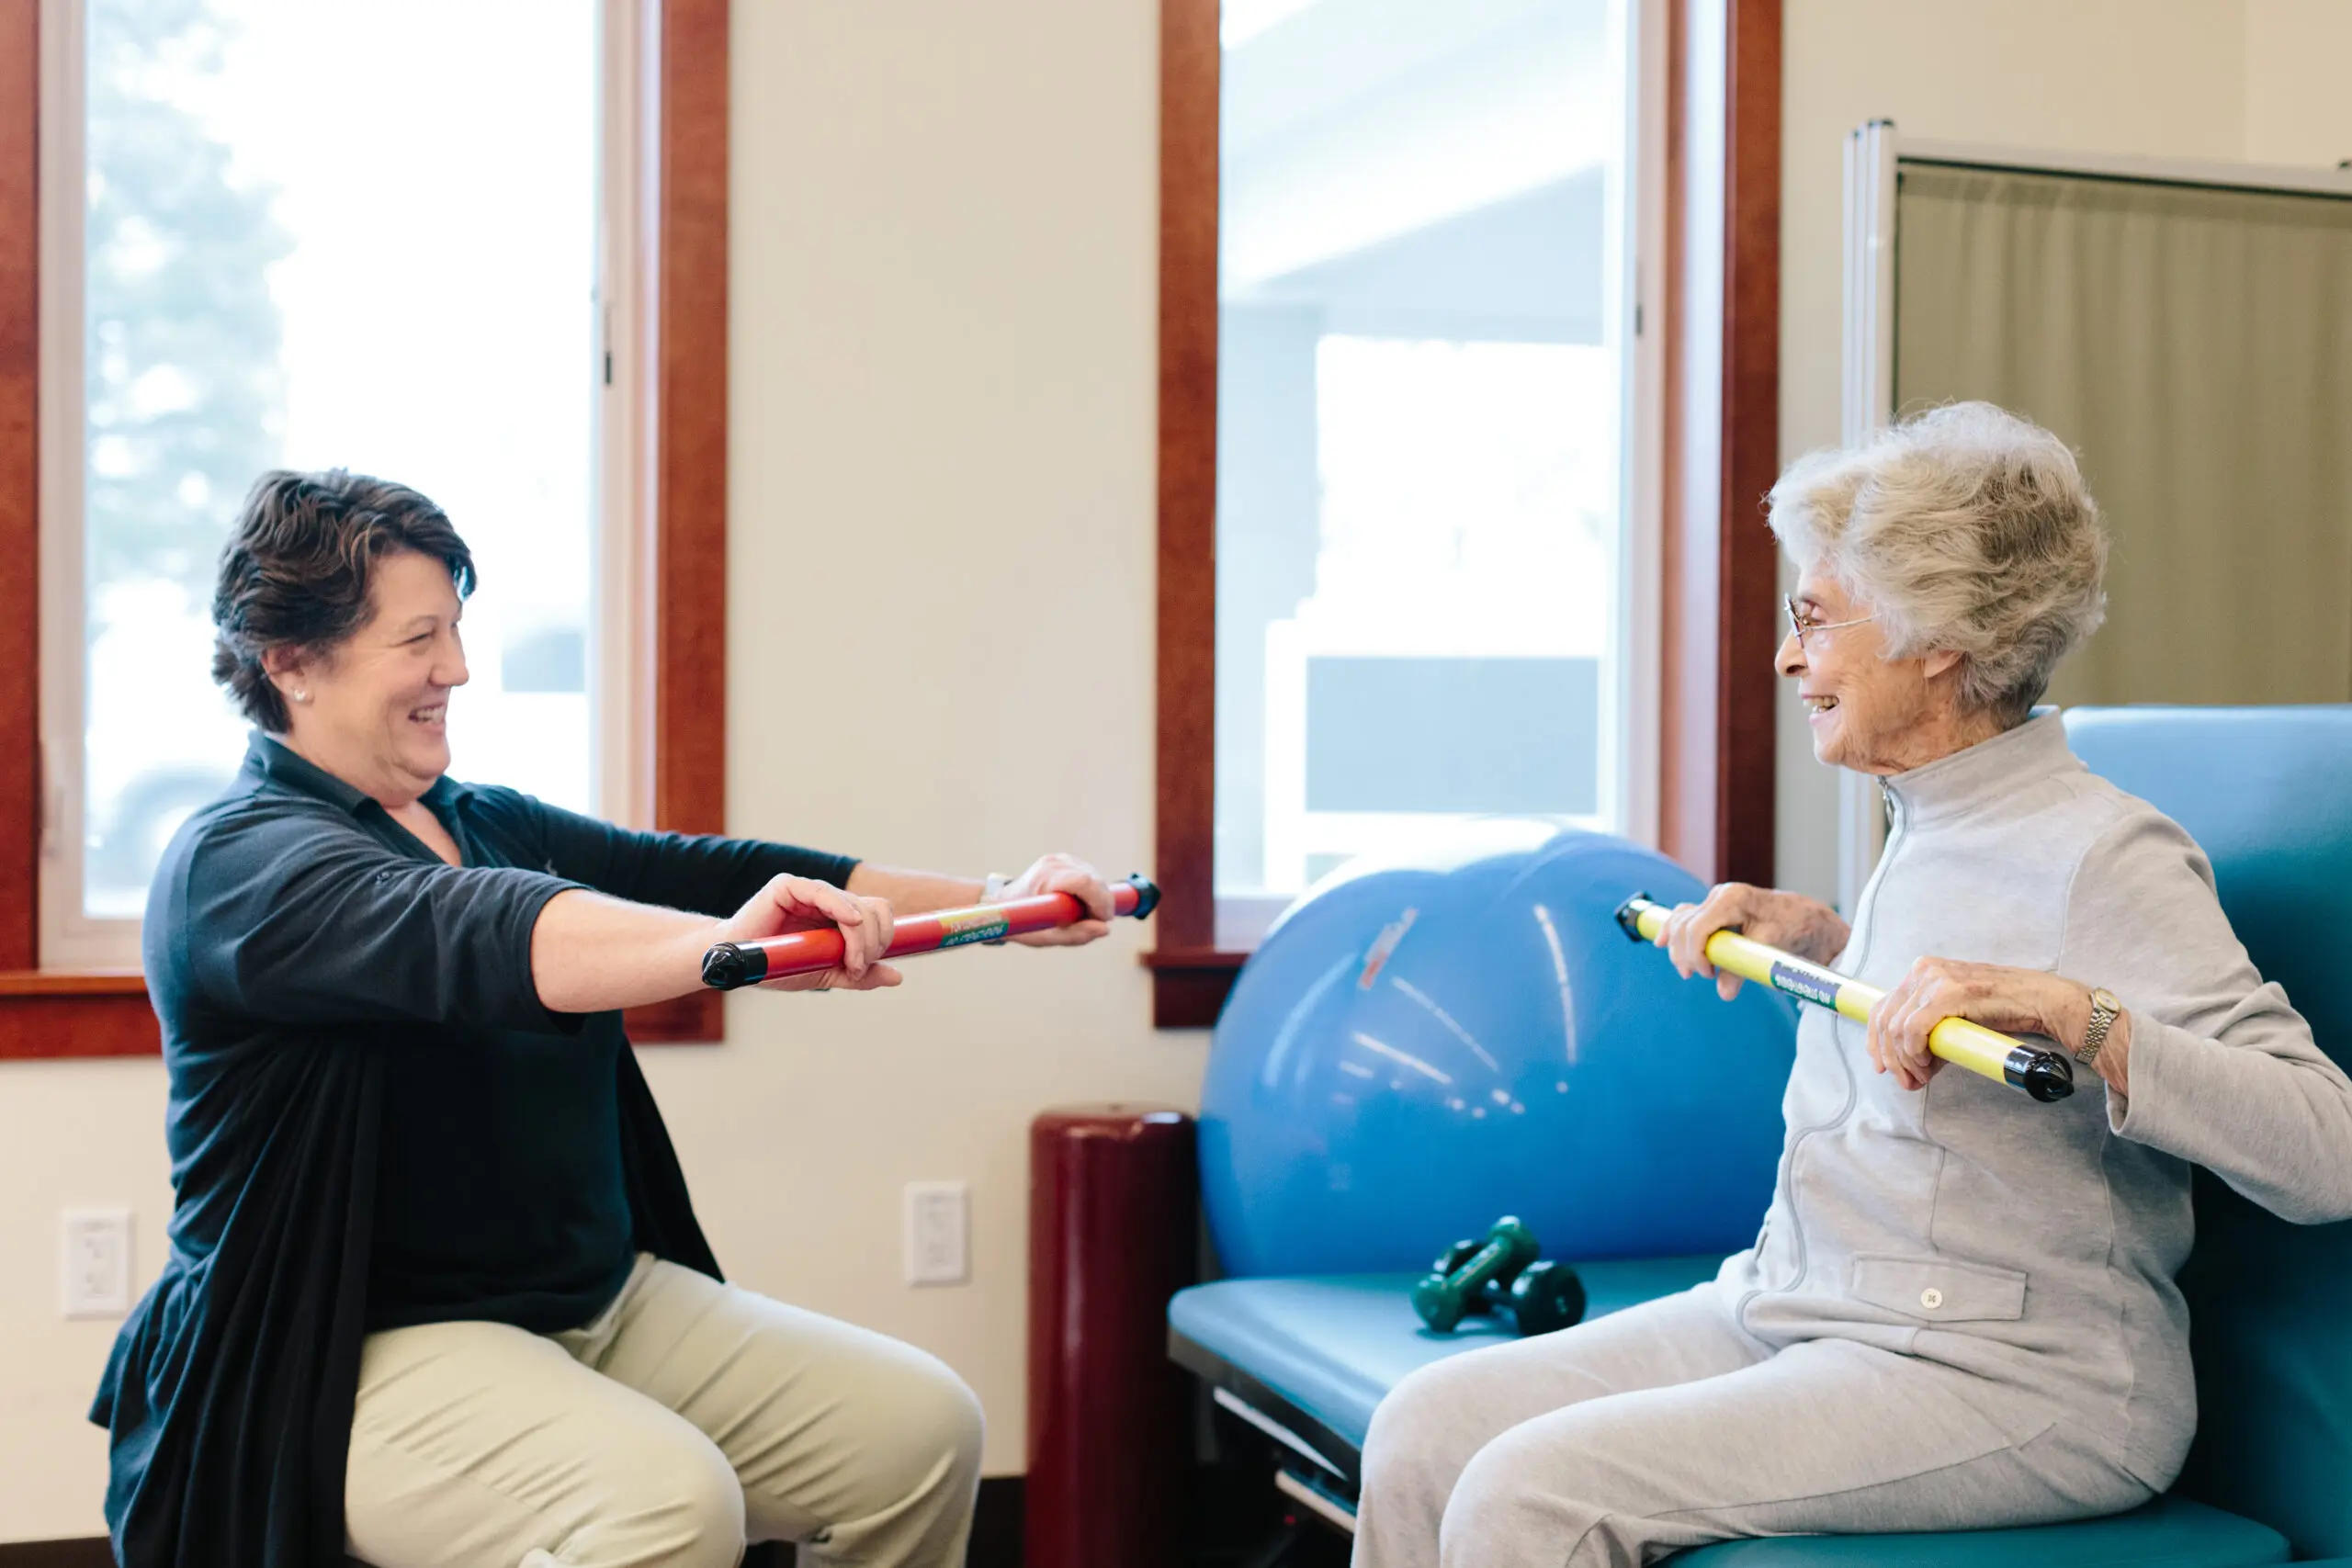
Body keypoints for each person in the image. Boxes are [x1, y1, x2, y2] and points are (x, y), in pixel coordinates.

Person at [1351, 402, 2352, 1566]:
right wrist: (1825, 950)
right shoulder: (1930, 818)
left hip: (2014, 1379)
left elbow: (2325, 1146)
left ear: (1936, 638)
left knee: (1530, 1495)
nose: (1789, 657)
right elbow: (1927, 1048)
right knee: (1425, 1427)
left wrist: (2086, 1020)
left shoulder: (2105, 852)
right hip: (1797, 1304)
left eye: (1812, 619)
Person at [90, 469, 1120, 1568]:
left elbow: (716, 871)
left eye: (457, 629)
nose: (458, 667)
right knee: (664, 1506)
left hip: (590, 1301)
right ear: (288, 660)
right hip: (346, 1348)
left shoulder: (483, 819)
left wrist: (1000, 906)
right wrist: (728, 949)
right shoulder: (240, 863)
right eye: (419, 638)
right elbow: (486, 934)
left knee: (915, 1434)